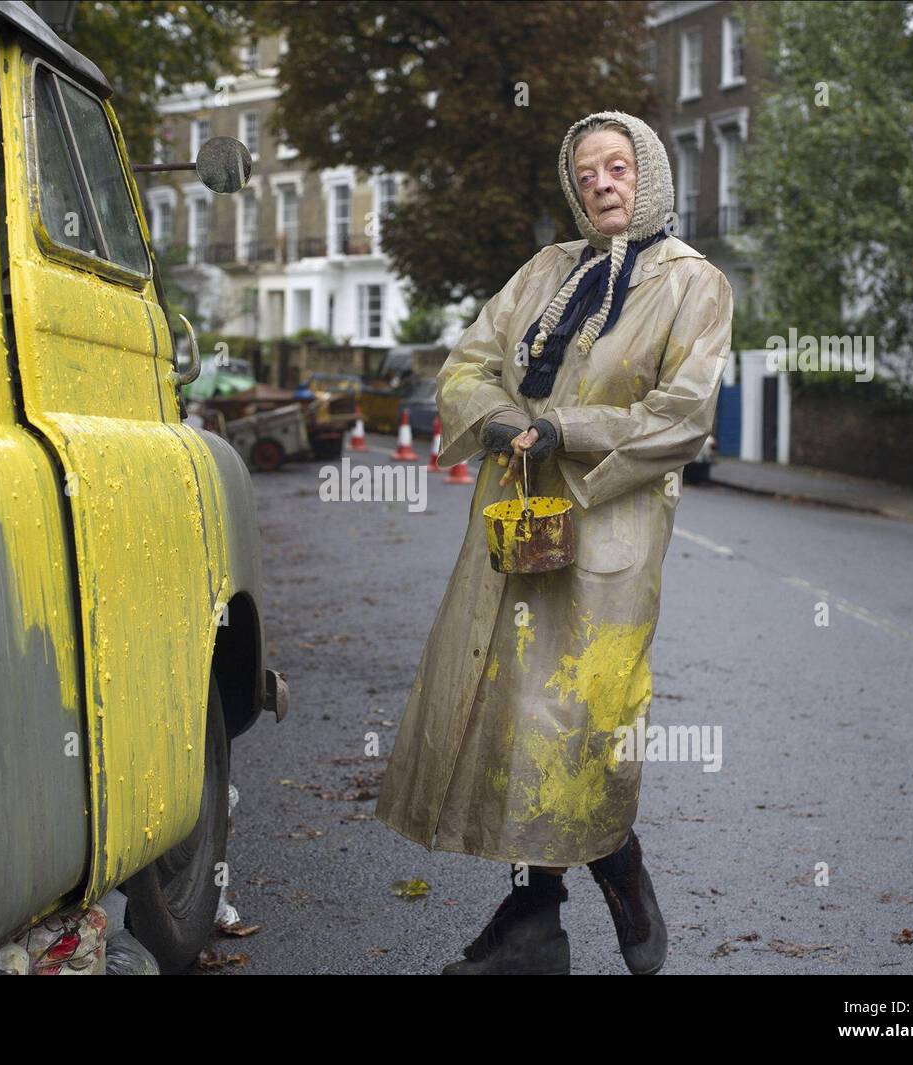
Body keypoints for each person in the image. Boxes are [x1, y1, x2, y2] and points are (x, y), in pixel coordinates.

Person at [373, 110, 733, 975]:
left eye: (618, 168)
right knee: (505, 714)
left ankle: (620, 868)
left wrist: (560, 428)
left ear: (647, 174)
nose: (602, 185)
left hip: (609, 528)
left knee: (576, 720)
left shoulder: (695, 284)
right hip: (514, 520)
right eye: (586, 175)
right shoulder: (545, 270)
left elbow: (681, 417)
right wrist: (502, 422)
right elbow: (469, 363)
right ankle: (534, 921)